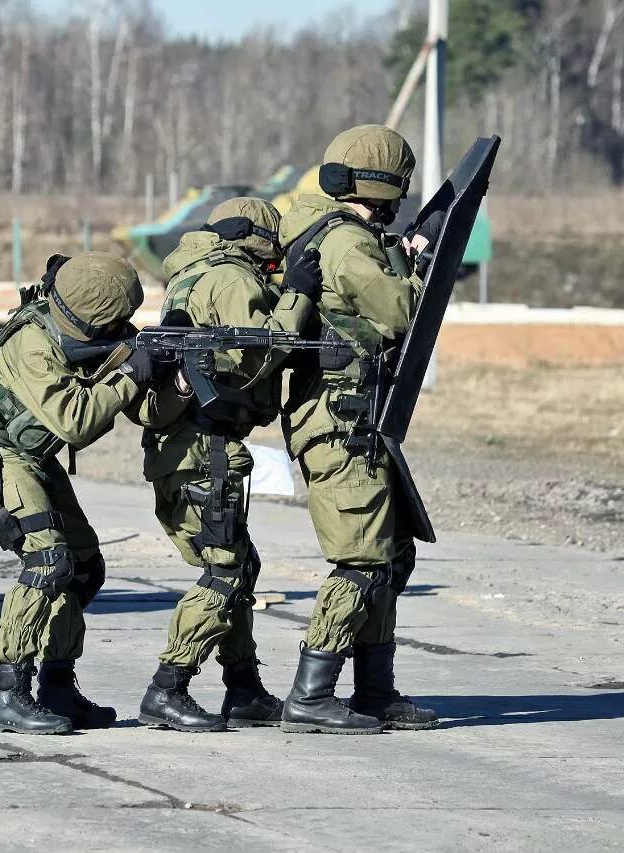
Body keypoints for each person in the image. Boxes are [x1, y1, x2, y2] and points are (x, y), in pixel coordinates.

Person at [0, 252, 154, 734]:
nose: (123, 328)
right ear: (91, 314)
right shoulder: (32, 344)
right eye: (116, 321)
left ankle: (58, 684)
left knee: (83, 566)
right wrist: (131, 373)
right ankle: (8, 691)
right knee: (47, 562)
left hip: (28, 453)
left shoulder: (72, 328)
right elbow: (74, 422)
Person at [132, 197, 322, 731]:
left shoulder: (192, 274)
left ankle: (244, 689)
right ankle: (167, 687)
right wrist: (299, 296)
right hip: (202, 447)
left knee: (240, 564)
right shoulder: (231, 279)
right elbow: (259, 352)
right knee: (225, 570)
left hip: (189, 445)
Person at [276, 124, 439, 733]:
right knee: (363, 562)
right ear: (385, 186)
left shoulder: (325, 231)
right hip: (340, 422)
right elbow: (399, 312)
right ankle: (311, 694)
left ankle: (375, 690)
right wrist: (416, 270)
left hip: (355, 420)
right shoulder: (346, 243)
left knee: (391, 556)